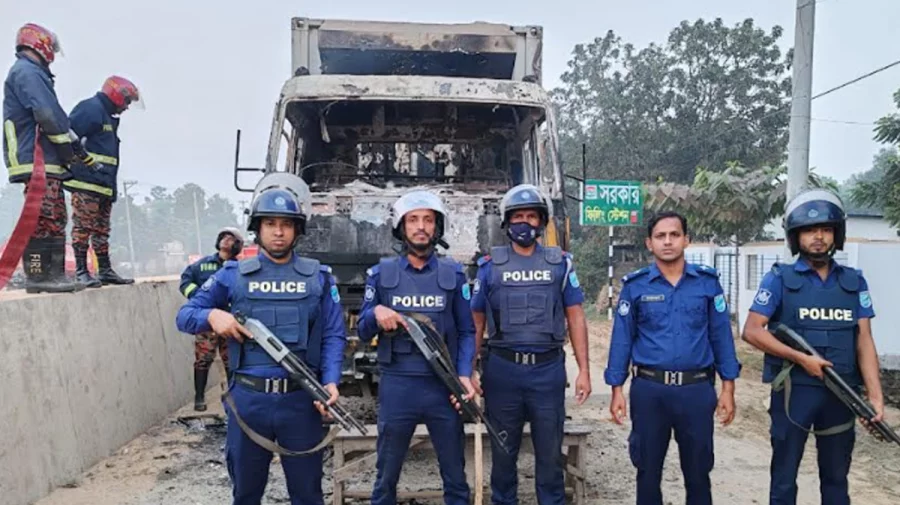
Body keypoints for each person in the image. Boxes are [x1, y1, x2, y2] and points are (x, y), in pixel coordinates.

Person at [175, 176, 346, 505]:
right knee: (246, 493)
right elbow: (185, 316)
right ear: (258, 228)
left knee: (308, 494)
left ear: (297, 229)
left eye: (286, 224)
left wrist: (331, 381)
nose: (278, 231)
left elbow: (334, 335)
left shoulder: (319, 278)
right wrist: (213, 317)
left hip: (302, 401)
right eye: (270, 223)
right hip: (248, 402)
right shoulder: (232, 274)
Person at [741, 188, 885, 505]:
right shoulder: (780, 278)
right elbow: (752, 331)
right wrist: (799, 358)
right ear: (796, 237)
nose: (818, 237)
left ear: (837, 234)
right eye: (809, 230)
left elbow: (864, 340)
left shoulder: (854, 282)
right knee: (784, 478)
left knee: (836, 480)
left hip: (842, 392)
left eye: (825, 229)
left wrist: (874, 396)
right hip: (795, 390)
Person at [606, 211, 740, 505]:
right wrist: (616, 389)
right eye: (660, 236)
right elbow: (622, 339)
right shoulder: (636, 286)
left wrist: (728, 388)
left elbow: (721, 337)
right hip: (650, 391)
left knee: (698, 472)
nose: (668, 242)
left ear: (686, 240)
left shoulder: (707, 284)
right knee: (647, 471)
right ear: (649, 243)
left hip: (696, 391)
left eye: (674, 235)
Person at [469, 183, 591, 505]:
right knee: (503, 455)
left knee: (550, 458)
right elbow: (475, 323)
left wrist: (584, 371)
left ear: (542, 221)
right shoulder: (488, 267)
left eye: (531, 216)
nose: (525, 223)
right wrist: (469, 371)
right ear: (507, 222)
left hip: (547, 372)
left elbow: (576, 317)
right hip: (502, 373)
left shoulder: (560, 264)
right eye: (518, 216)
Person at [357, 189, 477, 505]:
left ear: (437, 227)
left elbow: (466, 331)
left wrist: (465, 374)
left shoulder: (454, 273)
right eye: (413, 220)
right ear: (401, 226)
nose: (421, 226)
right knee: (386, 476)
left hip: (443, 385)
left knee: (455, 475)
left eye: (427, 220)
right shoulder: (380, 274)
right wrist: (375, 313)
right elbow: (362, 328)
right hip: (398, 384)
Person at [3, 23, 95, 293]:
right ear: (40, 44)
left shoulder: (33, 73)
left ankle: (53, 274)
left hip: (45, 158)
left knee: (54, 216)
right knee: (42, 217)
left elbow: (54, 116)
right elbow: (46, 115)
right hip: (36, 157)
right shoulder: (27, 72)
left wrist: (71, 147)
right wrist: (67, 149)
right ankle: (38, 276)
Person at [65, 75, 143, 287]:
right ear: (117, 95)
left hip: (104, 184)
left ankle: (105, 269)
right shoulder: (90, 109)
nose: (127, 107)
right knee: (83, 227)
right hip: (86, 182)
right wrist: (81, 164)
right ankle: (81, 270)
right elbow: (68, 137)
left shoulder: (107, 116)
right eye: (127, 102)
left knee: (101, 229)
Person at [179, 226, 244, 411]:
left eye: (230, 238)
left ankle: (234, 397)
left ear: (237, 245)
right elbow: (185, 280)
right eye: (223, 236)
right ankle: (199, 397)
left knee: (231, 362)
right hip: (207, 322)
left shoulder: (240, 269)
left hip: (230, 322)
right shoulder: (203, 264)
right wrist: (197, 296)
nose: (225, 240)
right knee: (202, 360)